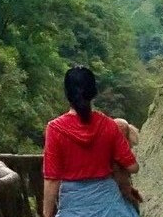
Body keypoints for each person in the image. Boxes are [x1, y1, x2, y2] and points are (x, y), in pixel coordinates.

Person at [41, 66, 139, 217]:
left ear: (67, 94)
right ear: (94, 92)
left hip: (73, 205)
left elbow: (52, 179)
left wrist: (47, 214)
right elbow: (133, 167)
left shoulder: (55, 129)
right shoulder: (109, 125)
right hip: (109, 204)